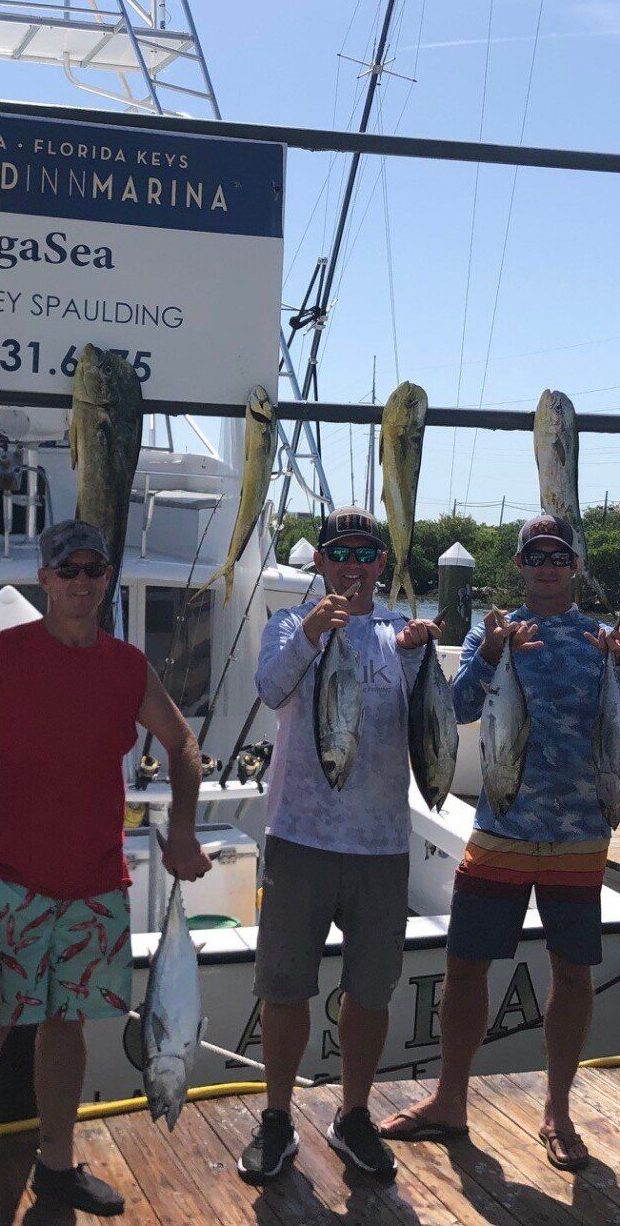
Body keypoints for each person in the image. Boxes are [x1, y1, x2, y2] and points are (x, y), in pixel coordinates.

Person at [0, 519, 211, 1226]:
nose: (81, 581)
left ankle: (55, 1167)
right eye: (67, 570)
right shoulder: (1, 656)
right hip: (2, 881)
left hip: (92, 881)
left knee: (65, 1025)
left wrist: (180, 827)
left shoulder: (127, 667)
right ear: (44, 580)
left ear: (105, 578)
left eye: (93, 569)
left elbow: (182, 742)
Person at [376, 513, 620, 1170]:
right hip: (499, 830)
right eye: (535, 557)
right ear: (519, 567)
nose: (547, 567)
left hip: (579, 834)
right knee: (465, 966)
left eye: (558, 557)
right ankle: (450, 1098)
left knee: (573, 972)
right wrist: (491, 653)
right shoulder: (489, 635)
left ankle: (557, 1109)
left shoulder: (599, 638)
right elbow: (459, 709)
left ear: (574, 566)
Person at [238, 506, 439, 1187]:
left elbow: (440, 718)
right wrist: (314, 635)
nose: (353, 565)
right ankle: (275, 1118)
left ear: (381, 563)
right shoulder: (289, 625)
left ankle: (353, 1114)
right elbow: (269, 690)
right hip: (300, 838)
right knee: (285, 986)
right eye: (339, 553)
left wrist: (427, 652)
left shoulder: (397, 635)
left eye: (365, 553)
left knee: (370, 991)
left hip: (382, 844)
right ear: (319, 562)